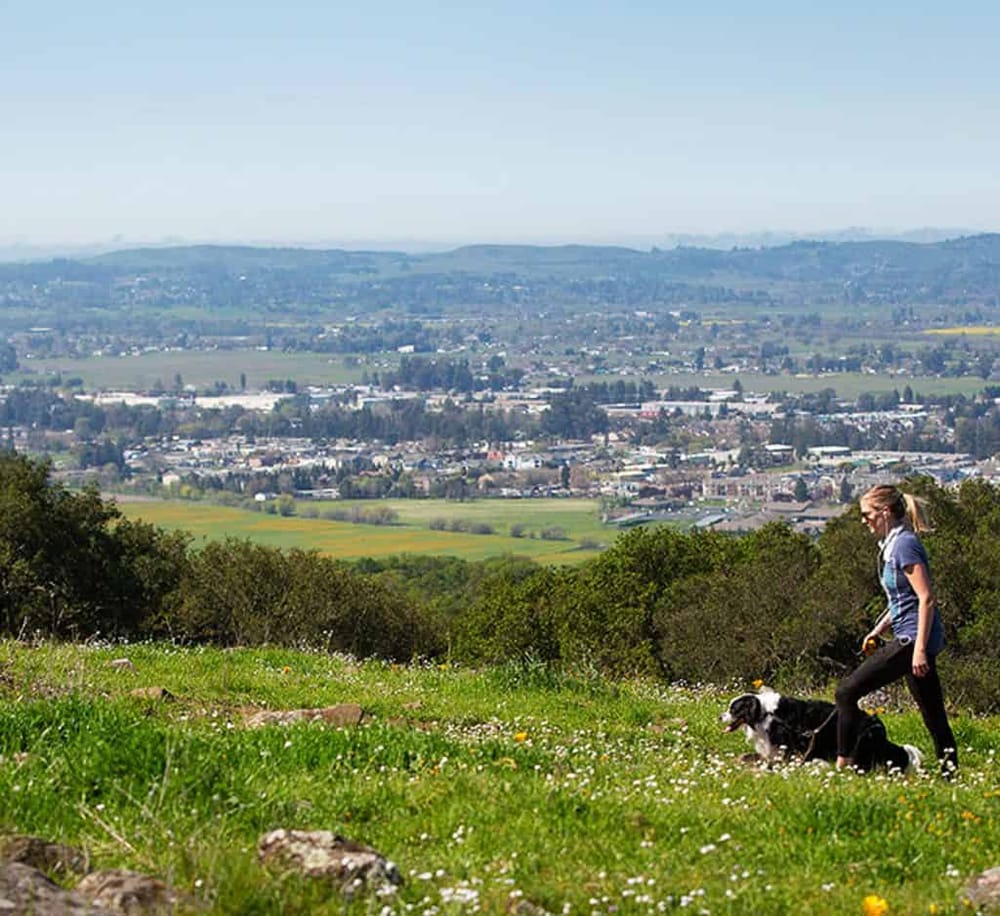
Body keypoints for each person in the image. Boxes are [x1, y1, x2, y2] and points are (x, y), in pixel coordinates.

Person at [834, 483, 958, 776]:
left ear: (886, 512)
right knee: (934, 715)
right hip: (909, 636)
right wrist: (877, 630)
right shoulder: (893, 545)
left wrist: (918, 651)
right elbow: (902, 600)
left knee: (846, 692)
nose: (864, 521)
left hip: (911, 640)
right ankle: (950, 774)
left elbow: (926, 598)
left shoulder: (904, 545)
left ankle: (844, 762)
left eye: (868, 514)